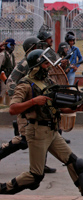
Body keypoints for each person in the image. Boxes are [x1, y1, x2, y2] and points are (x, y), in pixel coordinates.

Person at [0, 49, 83, 196]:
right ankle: (3, 188)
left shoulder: (47, 82)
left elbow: (58, 108)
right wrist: (33, 101)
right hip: (37, 132)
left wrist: (79, 108)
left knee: (75, 163)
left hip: (52, 131)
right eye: (45, 64)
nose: (49, 67)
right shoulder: (25, 84)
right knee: (35, 176)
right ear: (36, 66)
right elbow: (12, 109)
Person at [1, 37, 57, 173]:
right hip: (28, 105)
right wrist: (21, 96)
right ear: (31, 48)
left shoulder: (40, 62)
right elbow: (10, 81)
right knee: (24, 140)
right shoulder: (26, 63)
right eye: (38, 46)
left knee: (49, 133)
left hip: (40, 105)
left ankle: (41, 165)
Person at [0, 38, 16, 105]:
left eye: (13, 45)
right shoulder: (3, 54)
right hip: (3, 76)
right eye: (11, 45)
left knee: (9, 91)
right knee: (2, 91)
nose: (12, 47)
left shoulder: (12, 55)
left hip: (10, 76)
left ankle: (7, 105)